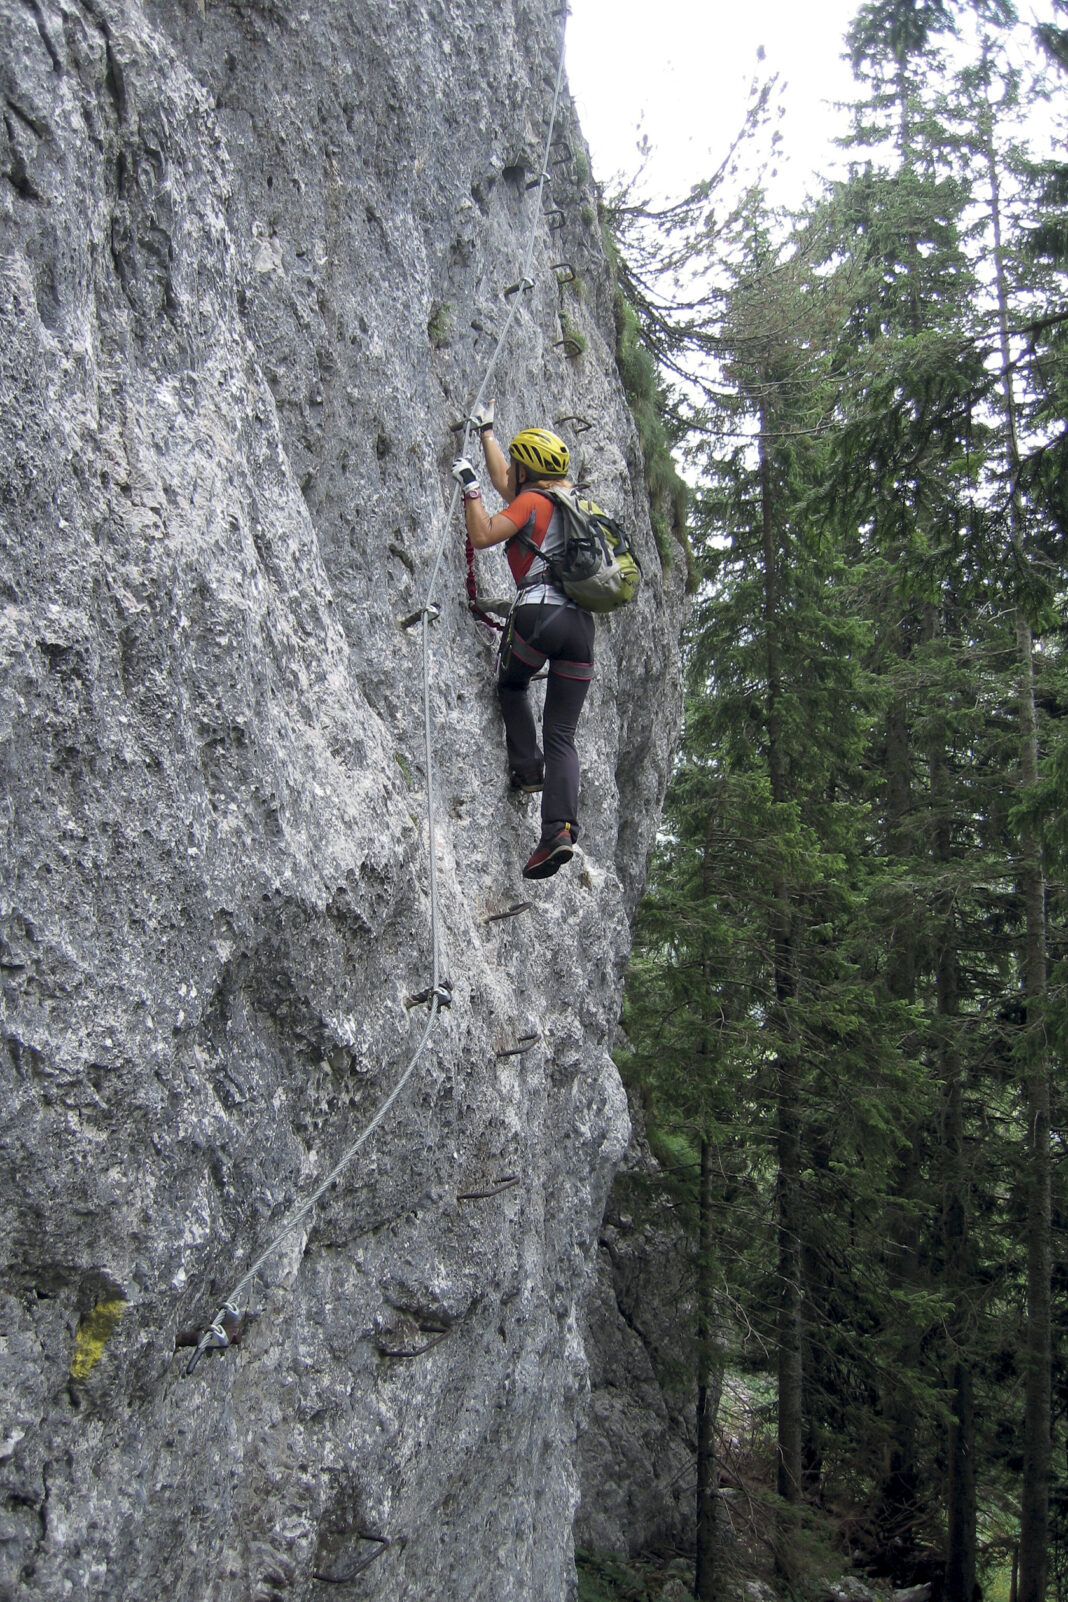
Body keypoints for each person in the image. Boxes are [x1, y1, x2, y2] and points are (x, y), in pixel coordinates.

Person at [451, 406, 594, 880]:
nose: (509, 473)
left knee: (513, 685)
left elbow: (483, 531)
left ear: (528, 471)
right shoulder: (572, 506)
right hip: (580, 630)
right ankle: (559, 830)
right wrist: (488, 432)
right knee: (563, 736)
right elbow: (505, 482)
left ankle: (526, 768)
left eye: (515, 466)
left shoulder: (530, 504)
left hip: (538, 616)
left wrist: (470, 488)